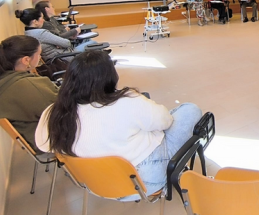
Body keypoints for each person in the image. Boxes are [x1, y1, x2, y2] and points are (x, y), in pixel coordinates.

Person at [35, 51, 202, 198]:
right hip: (145, 181)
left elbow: (43, 145)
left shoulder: (54, 112)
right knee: (189, 110)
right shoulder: (127, 101)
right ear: (109, 77)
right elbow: (166, 121)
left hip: (93, 183)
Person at [0, 35, 57, 153]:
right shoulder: (27, 86)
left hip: (33, 136)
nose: (40, 57)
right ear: (26, 60)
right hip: (50, 137)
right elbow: (62, 109)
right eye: (38, 54)